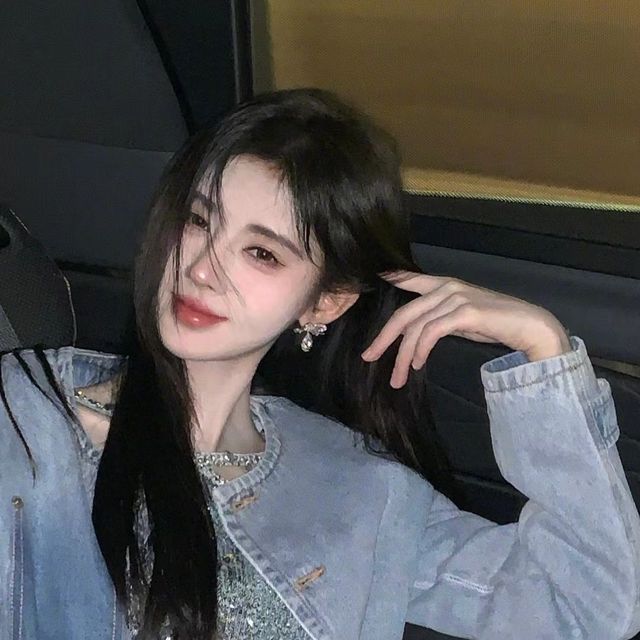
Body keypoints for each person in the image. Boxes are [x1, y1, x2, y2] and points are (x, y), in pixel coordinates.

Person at [1, 89, 639, 640]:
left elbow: (587, 610)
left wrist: (544, 347)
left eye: (262, 253)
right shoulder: (23, 419)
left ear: (324, 303)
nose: (201, 269)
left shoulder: (363, 491)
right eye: (198, 221)